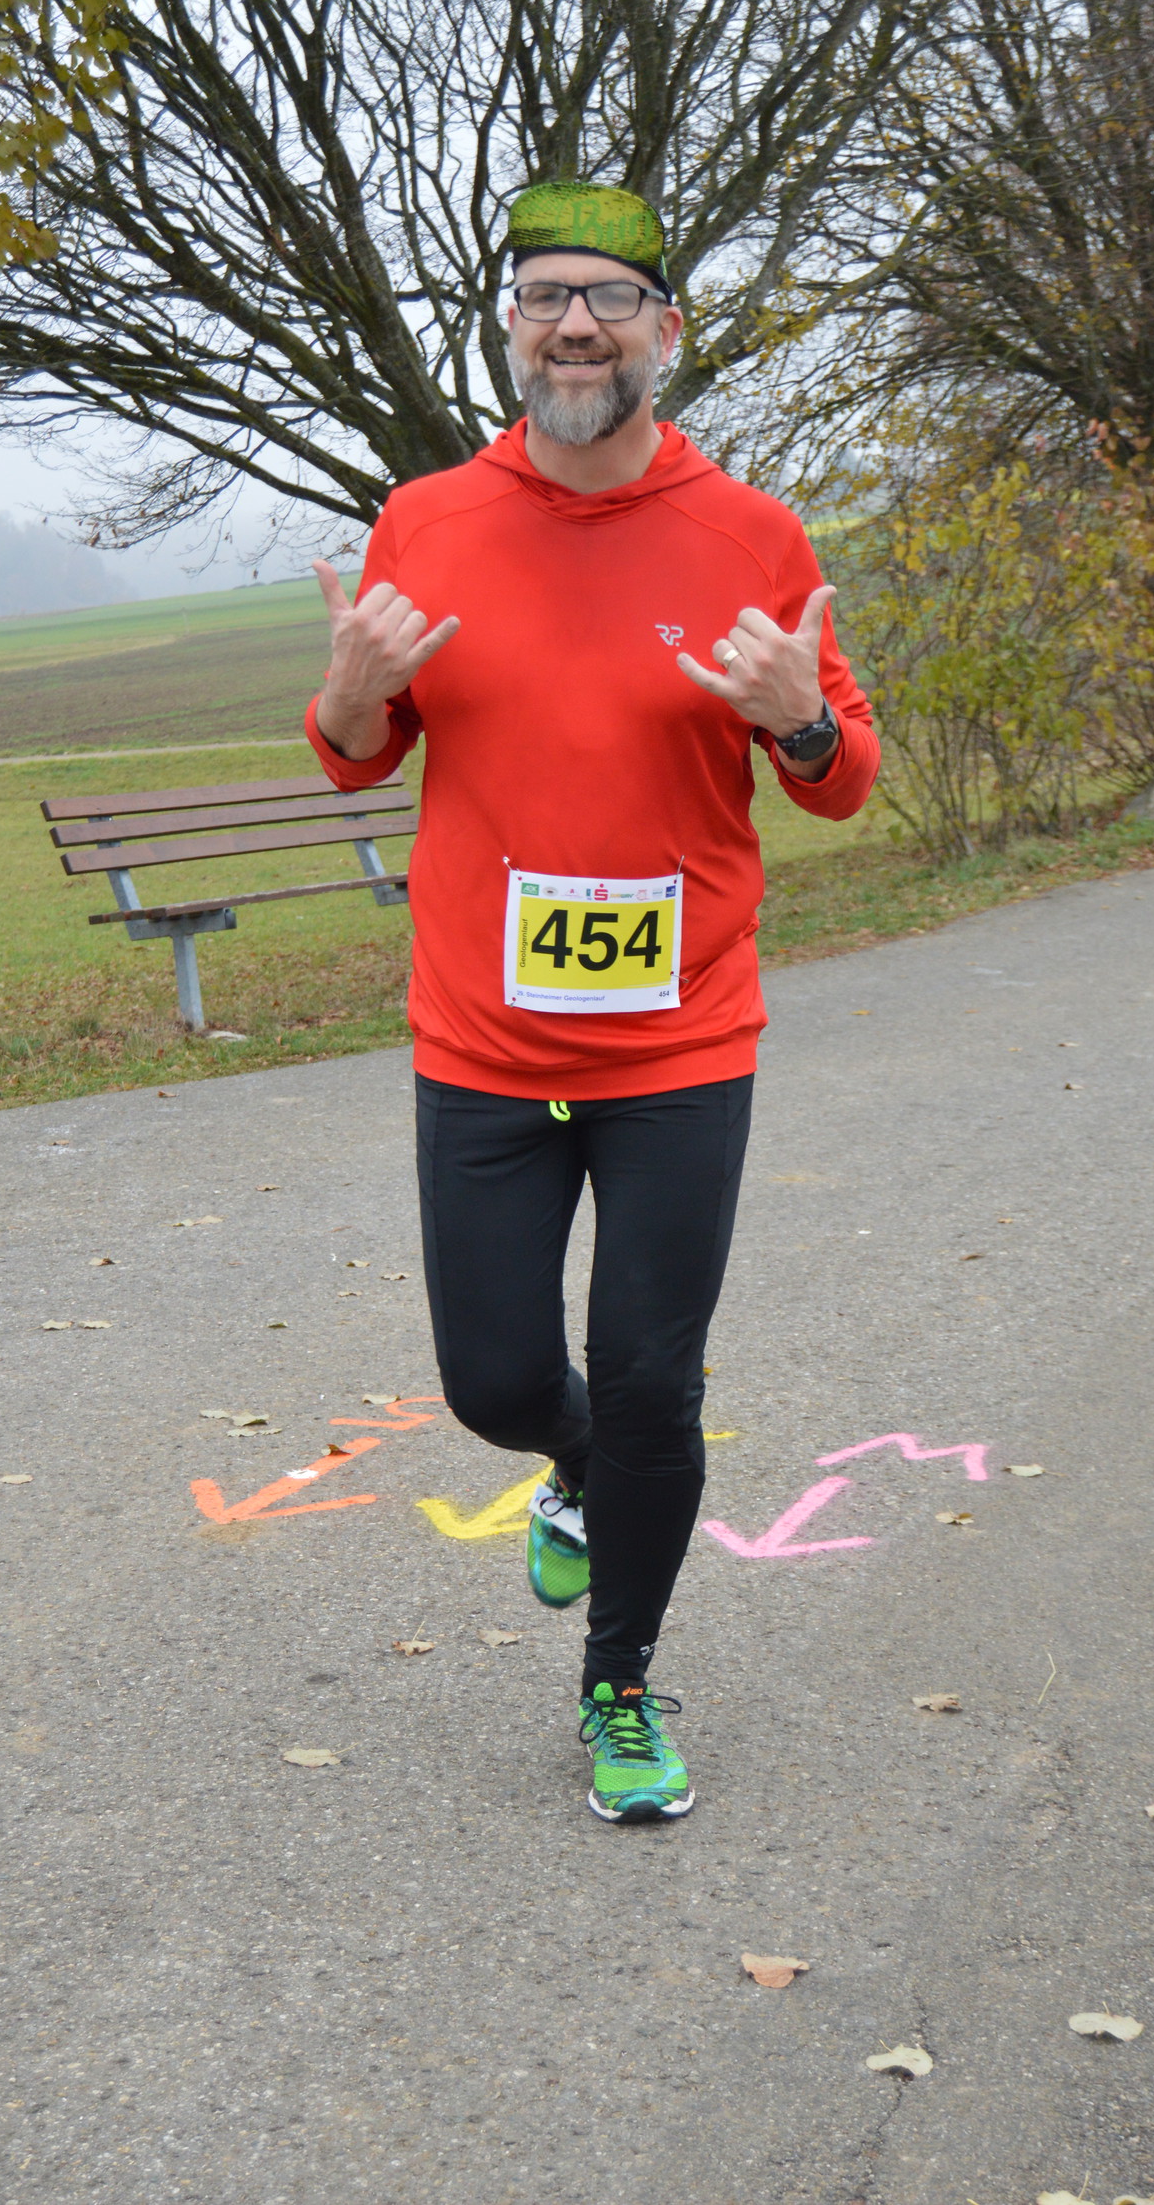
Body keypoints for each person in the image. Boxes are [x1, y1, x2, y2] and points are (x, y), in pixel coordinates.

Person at [305, 181, 879, 1822]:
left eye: (610, 299)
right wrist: (347, 694)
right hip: (485, 1044)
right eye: (547, 297)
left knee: (648, 1378)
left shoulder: (751, 534)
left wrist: (800, 720)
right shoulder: (426, 520)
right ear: (510, 329)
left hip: (680, 1043)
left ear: (663, 332)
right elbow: (359, 751)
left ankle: (619, 1682)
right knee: (497, 1382)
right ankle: (573, 1462)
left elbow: (844, 776)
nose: (577, 326)